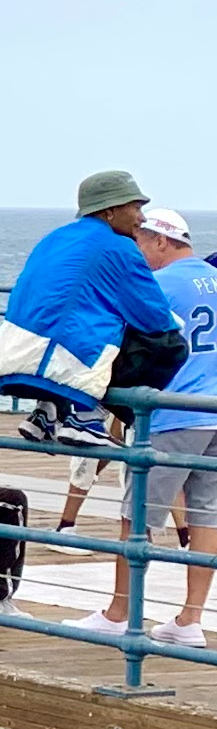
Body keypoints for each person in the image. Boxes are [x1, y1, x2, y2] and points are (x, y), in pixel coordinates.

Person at [77, 206, 217, 647]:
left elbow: (122, 336)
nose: (137, 254)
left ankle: (119, 612)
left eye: (139, 243)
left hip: (173, 414)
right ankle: (190, 619)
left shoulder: (160, 285)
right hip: (213, 410)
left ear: (161, 240)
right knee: (206, 516)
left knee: (137, 517)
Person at [0, 168, 186, 435]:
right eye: (136, 208)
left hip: (11, 358)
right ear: (109, 211)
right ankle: (89, 418)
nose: (142, 219)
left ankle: (47, 412)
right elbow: (155, 319)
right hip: (57, 364)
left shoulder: (55, 238)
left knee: (77, 318)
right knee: (171, 344)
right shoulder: (118, 246)